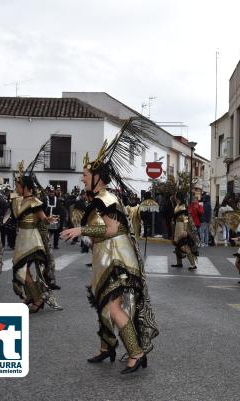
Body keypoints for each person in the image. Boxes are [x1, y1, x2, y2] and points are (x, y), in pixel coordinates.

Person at [61, 118, 159, 374]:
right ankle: (107, 347)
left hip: (117, 259)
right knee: (104, 305)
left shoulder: (107, 198)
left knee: (114, 307)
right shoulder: (100, 198)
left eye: (85, 175)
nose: (81, 178)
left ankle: (136, 354)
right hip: (105, 257)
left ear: (96, 178)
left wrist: (81, 229)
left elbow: (113, 229)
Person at [11, 143, 62, 312]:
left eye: (18, 186)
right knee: (22, 270)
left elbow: (43, 219)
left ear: (25, 187)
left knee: (23, 271)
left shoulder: (34, 202)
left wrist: (49, 219)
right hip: (22, 238)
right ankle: (32, 296)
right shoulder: (19, 201)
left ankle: (38, 299)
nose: (16, 188)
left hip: (32, 240)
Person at [171, 192, 199, 270]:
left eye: (176, 196)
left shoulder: (183, 207)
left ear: (178, 197)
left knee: (184, 247)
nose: (175, 197)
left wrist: (185, 230)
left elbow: (185, 219)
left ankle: (193, 265)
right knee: (177, 246)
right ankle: (179, 263)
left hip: (181, 227)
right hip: (177, 227)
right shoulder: (177, 205)